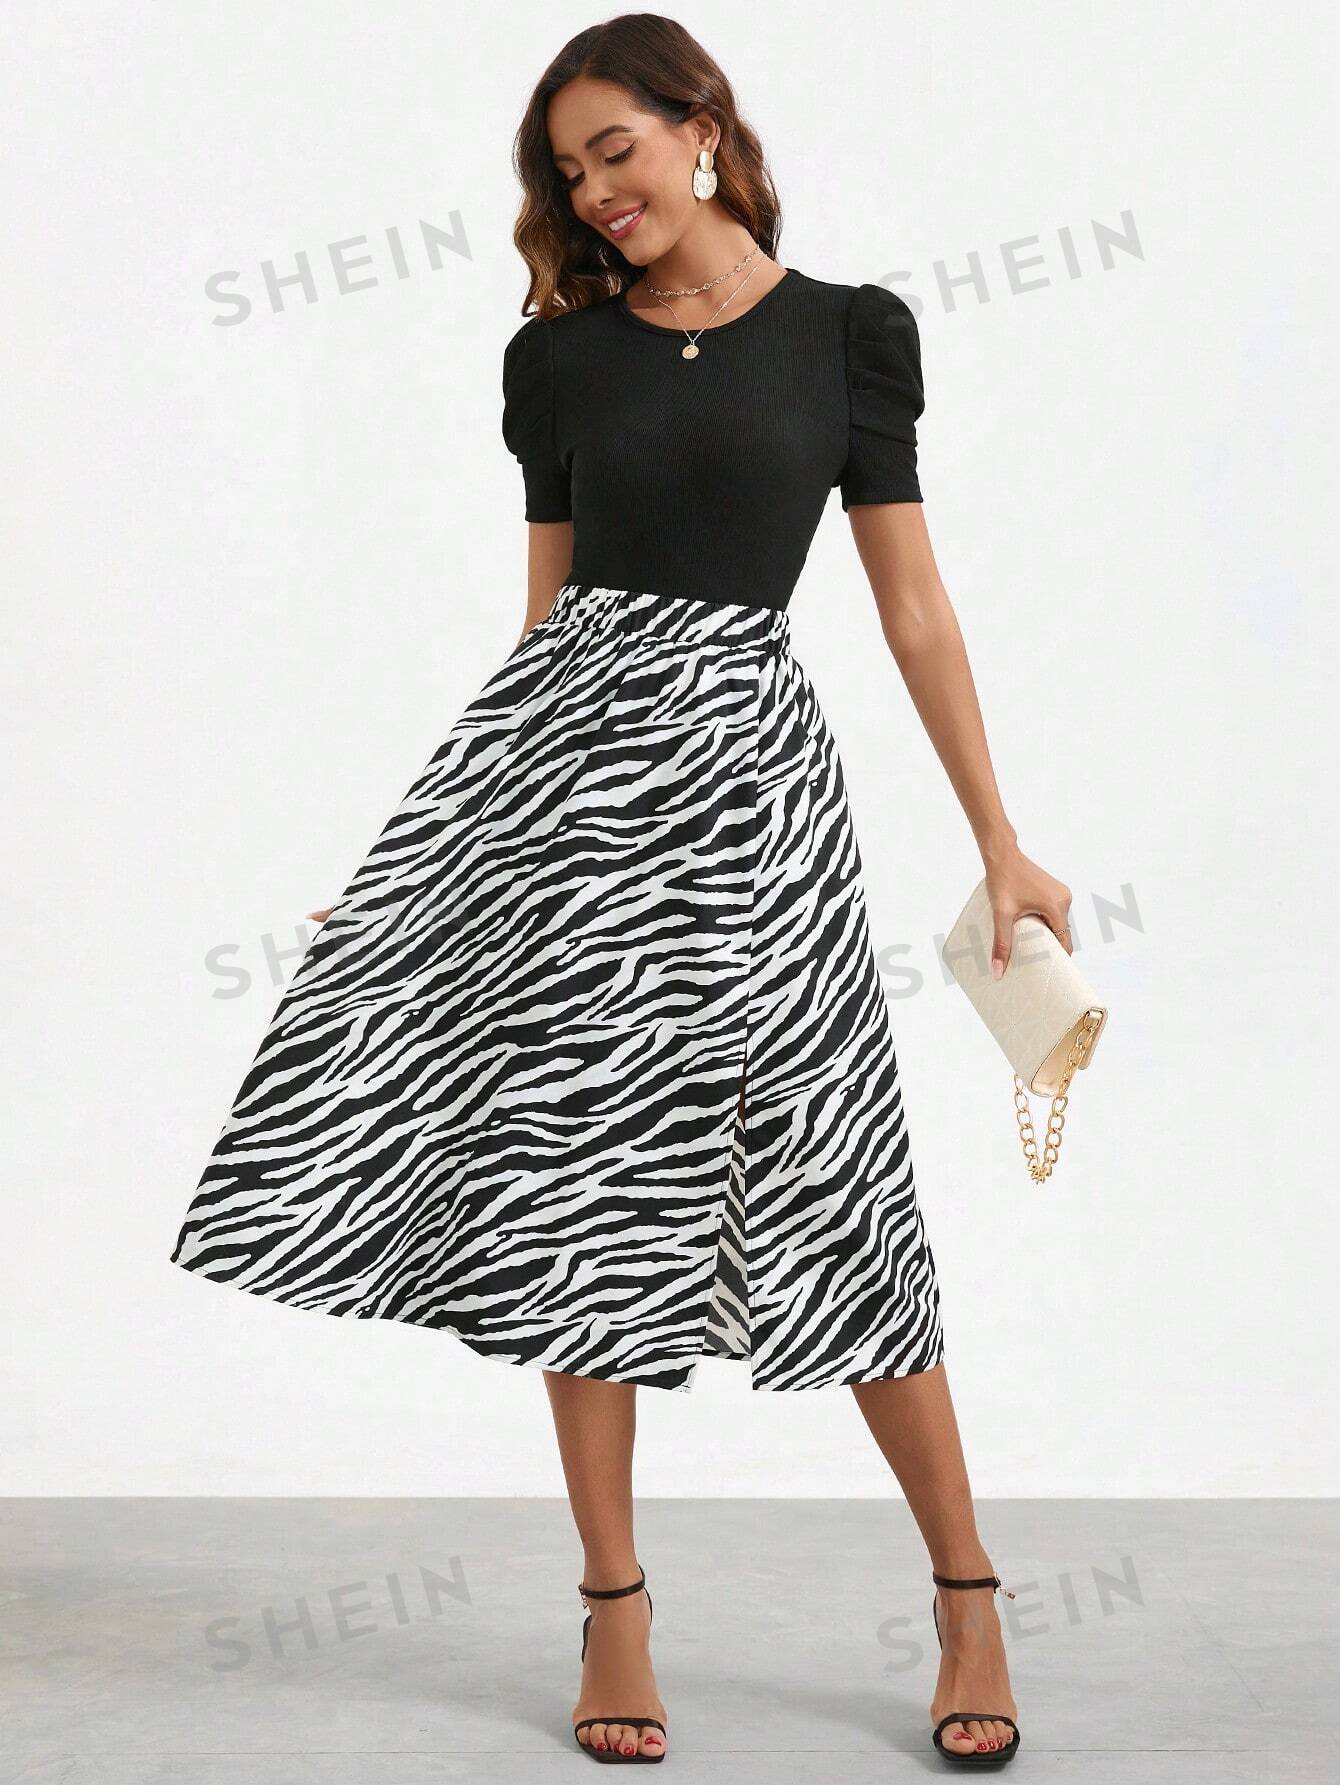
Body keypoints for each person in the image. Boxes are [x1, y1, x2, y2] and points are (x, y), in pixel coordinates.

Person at [171, 13, 1076, 1770]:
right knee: (576, 1192)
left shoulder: (848, 335)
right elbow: (540, 635)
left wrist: (1000, 839)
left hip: (756, 799)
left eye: (618, 150)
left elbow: (911, 606)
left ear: (701, 127)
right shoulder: (559, 361)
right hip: (572, 812)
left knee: (837, 1183)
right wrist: (432, 872)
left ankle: (968, 1590)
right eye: (568, 172)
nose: (596, 192)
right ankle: (613, 1606)